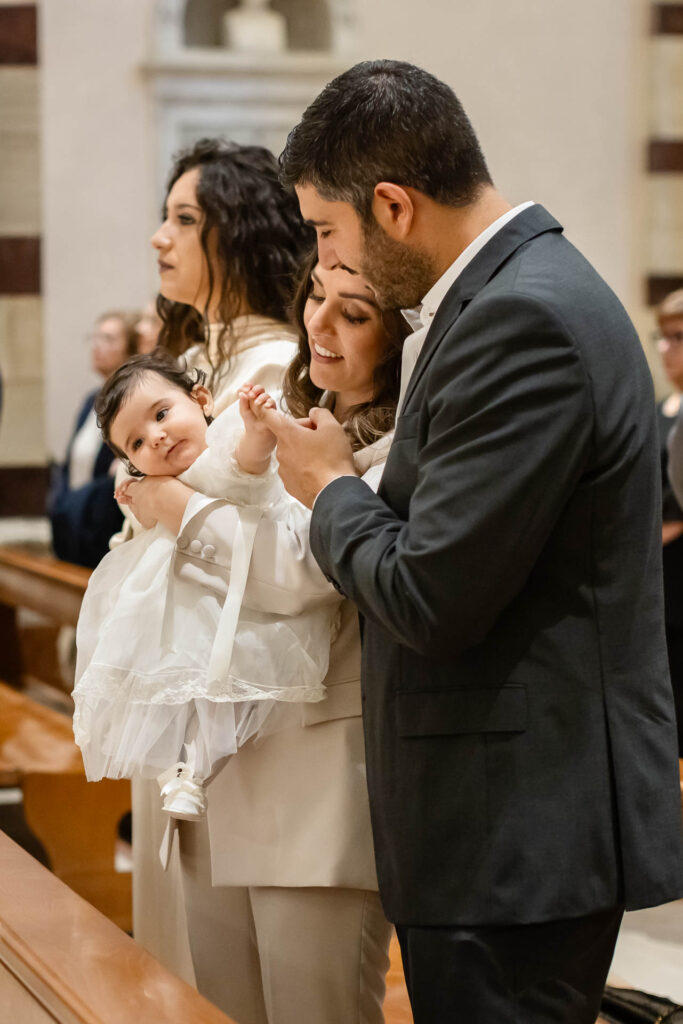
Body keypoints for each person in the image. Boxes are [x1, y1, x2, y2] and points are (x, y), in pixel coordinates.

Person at [268, 59, 683, 1024]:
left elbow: (431, 595)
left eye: (331, 231)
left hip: (513, 829)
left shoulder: (521, 316)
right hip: (500, 820)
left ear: (392, 206)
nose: (333, 262)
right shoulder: (501, 296)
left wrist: (329, 488)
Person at [121, 253, 409, 1024]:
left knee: (317, 1010)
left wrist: (177, 511)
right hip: (218, 767)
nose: (318, 323)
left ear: (399, 338)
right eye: (316, 298)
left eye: (353, 314)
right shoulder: (265, 426)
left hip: (314, 783)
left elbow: (299, 576)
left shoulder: (393, 450)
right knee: (226, 1008)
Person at [126, 138, 312, 979]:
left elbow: (285, 562)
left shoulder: (271, 368)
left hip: (253, 725)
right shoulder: (207, 363)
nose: (160, 238)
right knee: (191, 979)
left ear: (236, 233)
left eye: (183, 219)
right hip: (187, 704)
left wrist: (170, 510)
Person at [73, 353, 331, 818]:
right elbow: (147, 517)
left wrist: (255, 429)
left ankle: (196, 772)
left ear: (201, 399)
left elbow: (249, 463)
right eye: (136, 442)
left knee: (221, 690)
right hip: (194, 605)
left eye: (161, 414)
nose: (156, 435)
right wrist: (137, 501)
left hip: (251, 597)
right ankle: (174, 769)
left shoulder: (224, 442)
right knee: (174, 683)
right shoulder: (161, 480)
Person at [48, 310, 139, 567]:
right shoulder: (92, 399)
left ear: (129, 348)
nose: (98, 346)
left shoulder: (130, 401)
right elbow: (70, 464)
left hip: (102, 529)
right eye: (95, 338)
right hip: (73, 521)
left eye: (108, 339)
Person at [654, 289, 683, 756]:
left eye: (677, 337)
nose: (665, 349)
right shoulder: (660, 409)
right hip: (657, 587)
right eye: (661, 337)